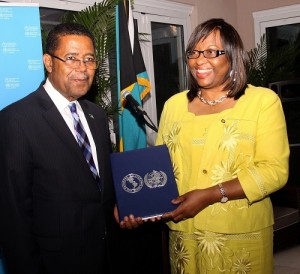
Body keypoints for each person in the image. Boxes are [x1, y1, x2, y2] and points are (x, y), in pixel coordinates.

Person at [156, 18, 290, 274]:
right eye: (193, 52)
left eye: (211, 52)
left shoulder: (262, 102)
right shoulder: (173, 105)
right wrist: (138, 204)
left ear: (232, 56)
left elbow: (274, 171)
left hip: (240, 234)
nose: (199, 60)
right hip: (184, 233)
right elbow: (160, 167)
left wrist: (209, 194)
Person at [0, 23, 117, 274]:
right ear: (48, 62)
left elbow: (100, 191)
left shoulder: (96, 115)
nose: (82, 69)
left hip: (104, 258)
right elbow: (13, 217)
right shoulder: (16, 121)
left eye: (89, 59)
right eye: (71, 59)